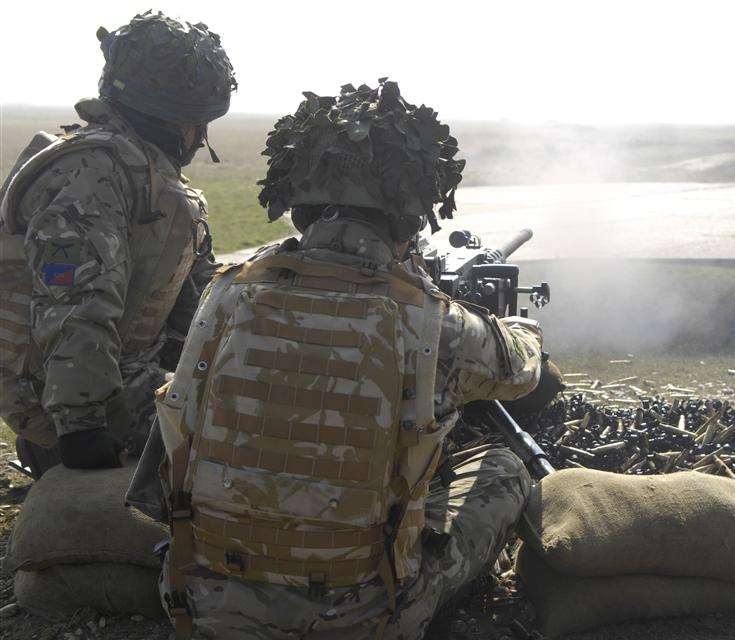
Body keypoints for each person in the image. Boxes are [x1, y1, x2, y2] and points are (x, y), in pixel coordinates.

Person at [142, 80, 544, 639]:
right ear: (408, 215)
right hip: (361, 621)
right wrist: (512, 323)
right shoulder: (427, 318)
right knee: (503, 469)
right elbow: (521, 370)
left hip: (203, 605)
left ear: (301, 205)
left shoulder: (228, 292)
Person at [0, 11, 236, 475]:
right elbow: (74, 303)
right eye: (198, 122)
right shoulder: (90, 173)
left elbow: (200, 299)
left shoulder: (148, 178)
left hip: (115, 374)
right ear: (178, 121)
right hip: (63, 395)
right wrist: (82, 425)